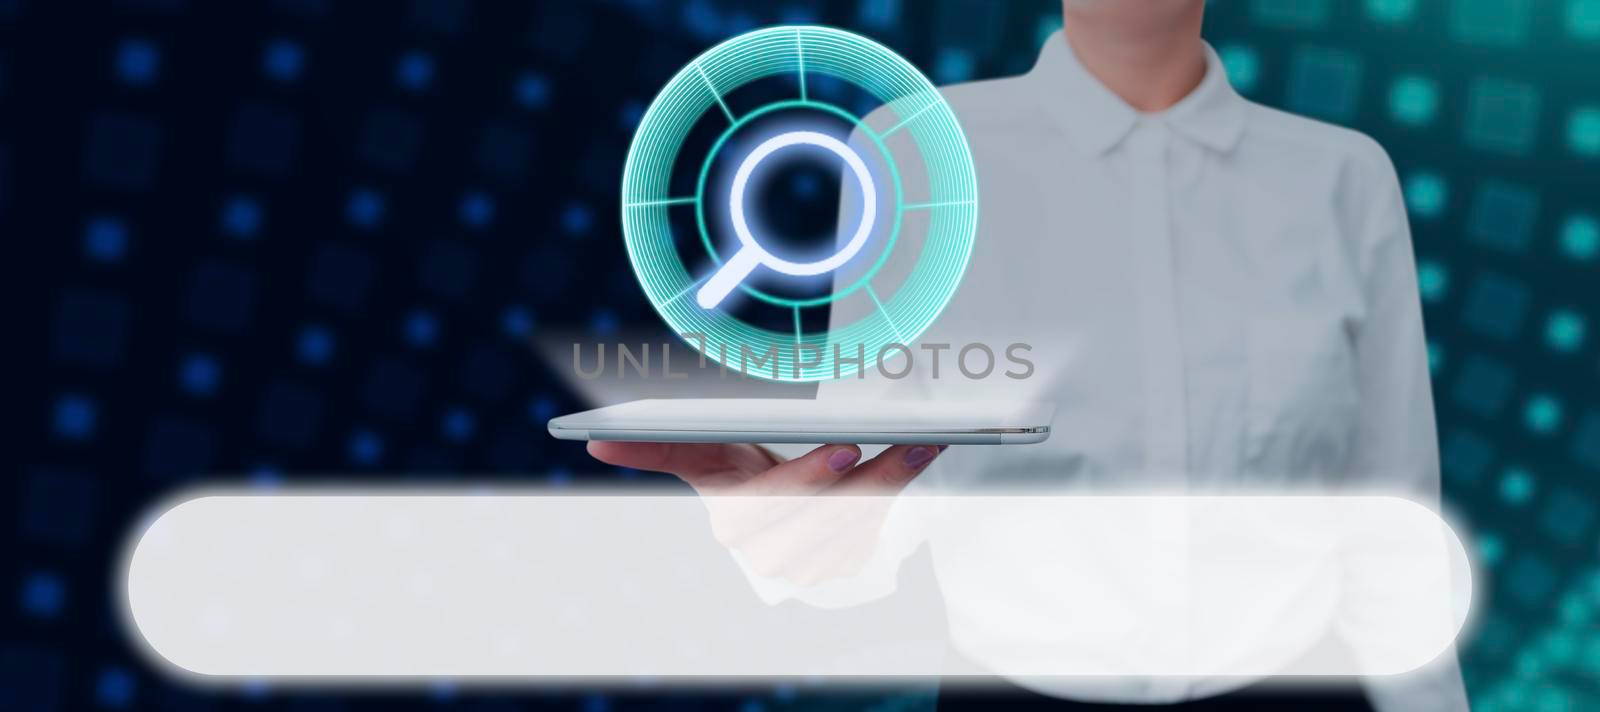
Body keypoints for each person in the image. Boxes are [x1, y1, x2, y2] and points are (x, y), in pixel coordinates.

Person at [590, 1, 1470, 709]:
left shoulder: (1341, 178)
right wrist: (796, 531)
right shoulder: (917, 161)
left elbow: (1393, 525)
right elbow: (869, 509)